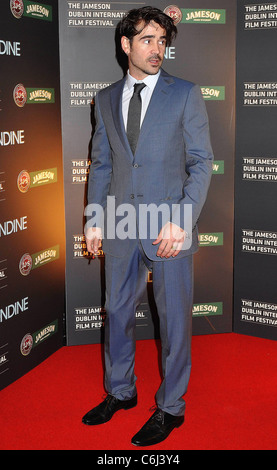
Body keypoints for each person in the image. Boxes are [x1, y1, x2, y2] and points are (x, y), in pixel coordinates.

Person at [83, 6, 214, 447]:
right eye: (147, 40)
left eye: (162, 40)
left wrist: (182, 220)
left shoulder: (185, 94)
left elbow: (200, 163)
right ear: (126, 45)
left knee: (174, 321)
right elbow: (101, 165)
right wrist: (94, 218)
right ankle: (121, 391)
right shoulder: (103, 99)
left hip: (168, 226)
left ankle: (171, 407)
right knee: (117, 313)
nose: (157, 49)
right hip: (120, 223)